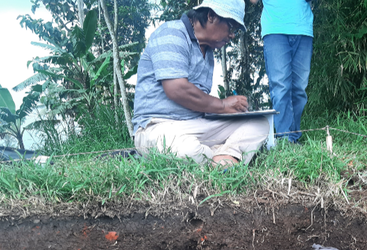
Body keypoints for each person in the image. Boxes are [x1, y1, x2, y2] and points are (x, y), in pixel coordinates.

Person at [132, 0, 269, 166]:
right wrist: (222, 105)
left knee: (259, 123)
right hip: (157, 127)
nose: (232, 35)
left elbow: (198, 100)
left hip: (196, 125)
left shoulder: (208, 52)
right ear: (211, 16)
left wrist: (227, 111)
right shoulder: (172, 32)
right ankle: (224, 159)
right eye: (230, 27)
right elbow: (177, 89)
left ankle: (222, 156)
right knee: (187, 151)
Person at [249, 0, 313, 144]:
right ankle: (285, 139)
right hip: (275, 28)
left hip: (303, 26)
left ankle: (293, 137)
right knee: (281, 87)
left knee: (299, 88)